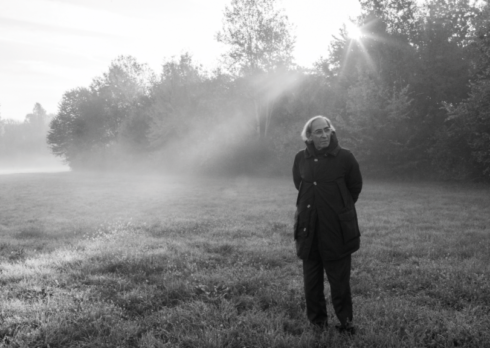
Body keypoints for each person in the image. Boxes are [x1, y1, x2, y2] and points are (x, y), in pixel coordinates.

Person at [292, 115, 362, 334]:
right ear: (309, 136)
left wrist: (337, 211)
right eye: (318, 132)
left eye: (326, 130)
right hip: (308, 228)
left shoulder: (345, 157)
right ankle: (317, 323)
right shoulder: (300, 158)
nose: (323, 135)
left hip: (337, 230)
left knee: (339, 283)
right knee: (311, 282)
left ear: (331, 131)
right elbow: (299, 184)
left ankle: (346, 323)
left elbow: (354, 188)